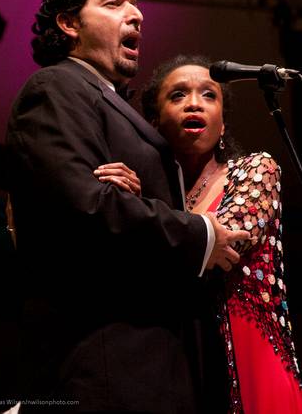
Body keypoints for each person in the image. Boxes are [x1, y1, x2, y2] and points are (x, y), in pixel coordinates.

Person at [5, 0, 249, 414]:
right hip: (105, 369)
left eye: (136, 4)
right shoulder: (57, 86)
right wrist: (202, 235)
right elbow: (83, 207)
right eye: (114, 3)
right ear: (69, 23)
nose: (135, 14)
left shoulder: (113, 105)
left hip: (155, 371)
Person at [94, 54, 302, 413]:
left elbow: (220, 249)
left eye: (209, 95)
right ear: (154, 123)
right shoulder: (156, 198)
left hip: (252, 361)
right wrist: (124, 200)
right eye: (177, 96)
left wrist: (136, 210)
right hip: (179, 367)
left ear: (222, 124)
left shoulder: (256, 170)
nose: (194, 103)